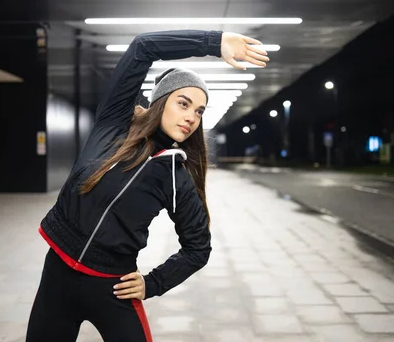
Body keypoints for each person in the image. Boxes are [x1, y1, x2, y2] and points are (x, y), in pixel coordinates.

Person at [25, 29, 269, 341]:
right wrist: (213, 43)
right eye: (183, 103)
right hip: (57, 275)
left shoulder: (175, 174)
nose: (192, 117)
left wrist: (152, 283)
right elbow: (143, 47)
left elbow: (198, 248)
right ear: (162, 101)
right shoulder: (113, 125)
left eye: (199, 111)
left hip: (112, 286)